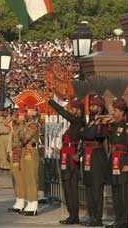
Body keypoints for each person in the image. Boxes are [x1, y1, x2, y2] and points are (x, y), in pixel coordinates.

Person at [48, 80, 89, 225]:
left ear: (79, 110)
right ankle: (72, 214)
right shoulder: (74, 124)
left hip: (71, 158)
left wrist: (50, 101)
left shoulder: (78, 122)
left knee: (71, 187)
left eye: (74, 109)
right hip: (65, 155)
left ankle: (74, 216)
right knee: (66, 186)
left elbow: (63, 112)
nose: (72, 111)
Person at [104, 77, 128, 228]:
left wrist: (127, 163)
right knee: (115, 191)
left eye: (115, 111)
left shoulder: (127, 126)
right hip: (114, 160)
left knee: (123, 192)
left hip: (123, 161)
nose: (113, 113)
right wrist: (106, 124)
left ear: (122, 112)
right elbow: (109, 139)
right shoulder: (115, 126)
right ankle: (118, 220)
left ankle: (124, 222)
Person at [81, 76, 109, 227]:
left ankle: (97, 218)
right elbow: (83, 134)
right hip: (87, 155)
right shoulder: (91, 120)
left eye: (94, 105)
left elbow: (95, 135)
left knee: (97, 188)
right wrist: (85, 132)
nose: (91, 107)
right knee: (89, 186)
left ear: (100, 107)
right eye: (91, 105)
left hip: (97, 156)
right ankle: (91, 215)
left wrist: (86, 132)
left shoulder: (104, 120)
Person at [7, 107, 25, 213]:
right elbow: (6, 123)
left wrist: (17, 117)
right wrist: (12, 117)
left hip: (18, 153)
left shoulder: (21, 128)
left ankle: (21, 202)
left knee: (18, 178)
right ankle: (18, 201)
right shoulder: (14, 126)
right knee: (14, 178)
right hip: (12, 151)